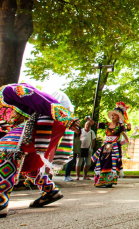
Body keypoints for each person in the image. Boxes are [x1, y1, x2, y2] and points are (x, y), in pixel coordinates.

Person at [0, 83, 80, 218]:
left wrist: (65, 116)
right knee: (26, 162)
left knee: (7, 148)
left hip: (49, 119)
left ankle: (1, 200)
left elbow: (37, 98)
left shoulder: (8, 91)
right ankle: (50, 190)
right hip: (33, 129)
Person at [92, 102, 129, 187]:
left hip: (114, 148)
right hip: (106, 147)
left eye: (115, 115)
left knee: (110, 163)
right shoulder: (107, 124)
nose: (112, 117)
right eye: (112, 115)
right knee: (102, 161)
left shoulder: (120, 126)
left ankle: (109, 181)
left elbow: (126, 139)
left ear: (118, 117)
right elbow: (97, 124)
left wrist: (119, 143)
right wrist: (91, 122)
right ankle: (100, 180)